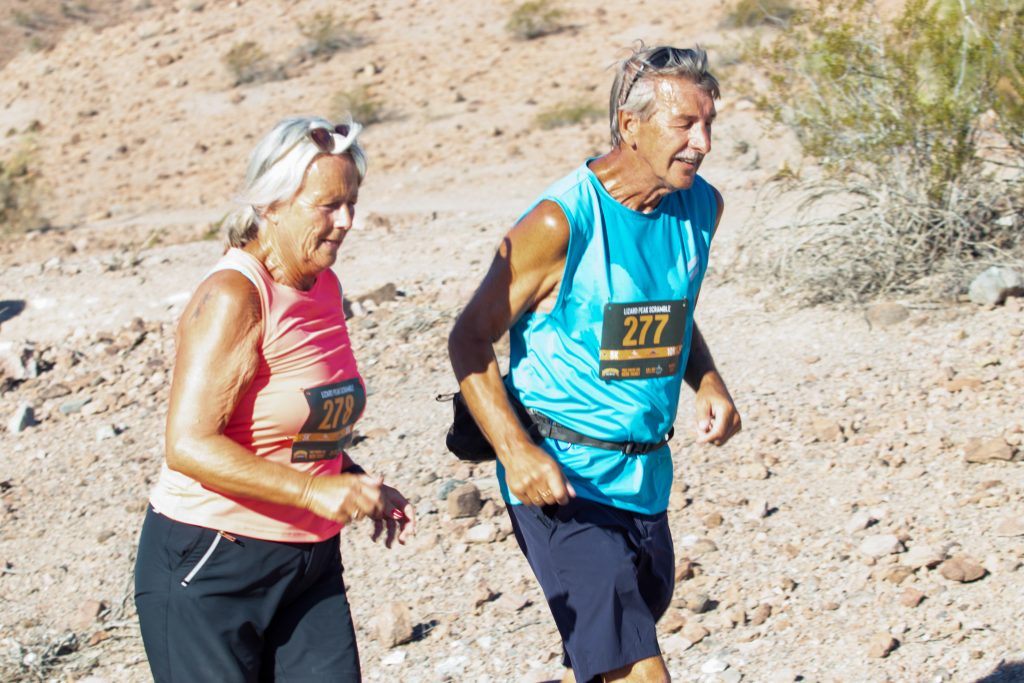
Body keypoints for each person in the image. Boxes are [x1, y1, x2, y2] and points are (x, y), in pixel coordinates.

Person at [448, 45, 741, 683]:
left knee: (607, 656)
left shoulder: (701, 208)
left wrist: (708, 381)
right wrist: (516, 453)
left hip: (646, 479)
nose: (703, 143)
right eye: (685, 124)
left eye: (709, 123)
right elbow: (469, 338)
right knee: (638, 670)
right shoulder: (561, 221)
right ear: (630, 125)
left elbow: (673, 312)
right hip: (564, 482)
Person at [134, 116, 416, 682]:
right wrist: (314, 490)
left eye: (352, 203)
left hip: (307, 558)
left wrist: (351, 478)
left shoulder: (323, 285)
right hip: (214, 561)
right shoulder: (234, 294)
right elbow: (188, 445)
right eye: (328, 206)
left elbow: (294, 420)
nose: (346, 221)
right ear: (272, 205)